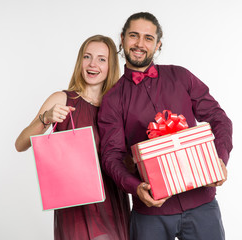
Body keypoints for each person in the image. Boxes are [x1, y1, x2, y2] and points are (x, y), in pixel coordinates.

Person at [98, 12, 233, 240]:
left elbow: (219, 119)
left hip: (202, 204)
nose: (140, 44)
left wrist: (219, 159)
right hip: (150, 211)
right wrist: (136, 187)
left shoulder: (181, 76)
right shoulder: (112, 99)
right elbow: (111, 155)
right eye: (134, 36)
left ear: (158, 44)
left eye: (148, 38)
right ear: (122, 39)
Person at [15, 35, 130, 240]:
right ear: (80, 61)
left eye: (101, 59)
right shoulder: (62, 98)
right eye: (87, 57)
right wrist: (46, 119)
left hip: (112, 199)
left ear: (111, 65)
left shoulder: (119, 106)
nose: (92, 64)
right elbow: (20, 144)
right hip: (77, 203)